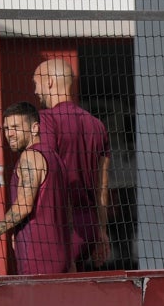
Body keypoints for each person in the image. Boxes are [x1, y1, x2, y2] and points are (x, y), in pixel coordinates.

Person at [0, 101, 71, 274]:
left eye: (16, 127)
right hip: (60, 257)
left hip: (37, 258)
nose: (9, 133)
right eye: (6, 128)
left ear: (34, 128)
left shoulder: (30, 156)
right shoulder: (56, 159)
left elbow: (24, 205)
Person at [32, 58, 111, 270]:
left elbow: (45, 175)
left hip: (60, 227)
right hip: (89, 228)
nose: (36, 91)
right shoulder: (98, 126)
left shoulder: (46, 120)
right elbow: (102, 188)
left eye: (36, 84)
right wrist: (101, 232)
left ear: (49, 82)